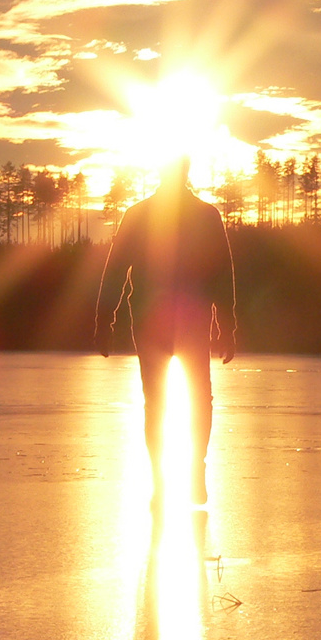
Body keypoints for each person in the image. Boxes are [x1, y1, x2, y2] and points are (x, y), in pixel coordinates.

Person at [95, 156, 236, 505]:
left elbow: (220, 271)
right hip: (165, 320)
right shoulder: (193, 214)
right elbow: (115, 272)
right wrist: (227, 324)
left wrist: (104, 322)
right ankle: (172, 477)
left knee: (169, 400)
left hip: (163, 320)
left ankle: (181, 475)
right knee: (189, 398)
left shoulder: (155, 214)